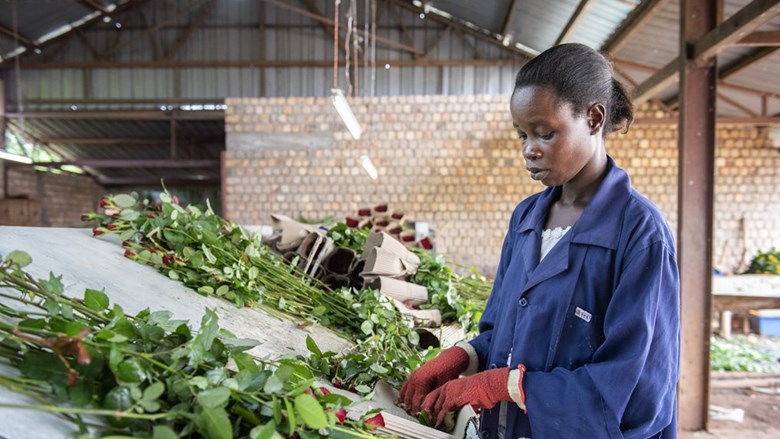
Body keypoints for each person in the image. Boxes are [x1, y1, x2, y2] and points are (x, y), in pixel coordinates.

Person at [399, 43, 680, 438]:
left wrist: (506, 386)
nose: (530, 149)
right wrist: (465, 356)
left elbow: (638, 388)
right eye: (522, 134)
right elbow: (505, 331)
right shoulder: (526, 219)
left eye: (545, 133)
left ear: (594, 118)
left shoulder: (640, 233)